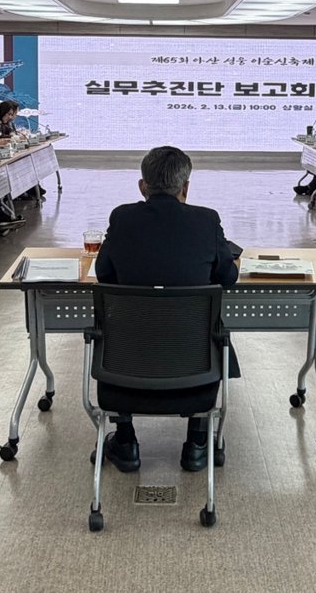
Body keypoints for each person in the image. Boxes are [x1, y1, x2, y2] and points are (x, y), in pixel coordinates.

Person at [94, 146, 239, 473]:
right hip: (193, 359)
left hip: (126, 358)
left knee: (120, 330)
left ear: (142, 186)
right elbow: (227, 278)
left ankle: (126, 442)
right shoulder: (206, 220)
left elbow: (104, 274)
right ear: (185, 187)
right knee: (209, 331)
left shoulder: (122, 218)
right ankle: (197, 445)